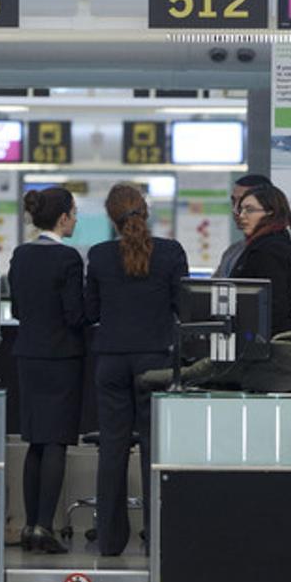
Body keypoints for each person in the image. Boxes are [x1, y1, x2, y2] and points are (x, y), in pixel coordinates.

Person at [86, 183, 188, 556]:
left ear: (111, 217)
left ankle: (110, 540)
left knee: (112, 448)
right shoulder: (171, 252)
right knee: (153, 448)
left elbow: (90, 312)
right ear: (145, 211)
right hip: (156, 361)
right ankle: (156, 536)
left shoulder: (99, 256)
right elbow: (185, 307)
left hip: (111, 361)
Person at [8, 187, 85, 555]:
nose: (75, 219)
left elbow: (17, 309)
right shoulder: (68, 258)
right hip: (61, 357)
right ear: (63, 218)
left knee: (35, 440)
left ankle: (28, 526)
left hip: (28, 355)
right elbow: (75, 314)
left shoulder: (21, 255)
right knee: (56, 441)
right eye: (74, 213)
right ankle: (44, 527)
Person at [230, 183, 291, 335]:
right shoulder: (272, 244)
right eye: (241, 209)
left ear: (271, 213)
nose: (241, 215)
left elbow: (273, 306)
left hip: (263, 339)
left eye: (249, 210)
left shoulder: (269, 251)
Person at [213, 174, 273, 278]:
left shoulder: (272, 250)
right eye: (233, 202)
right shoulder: (233, 250)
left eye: (244, 203)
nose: (235, 210)